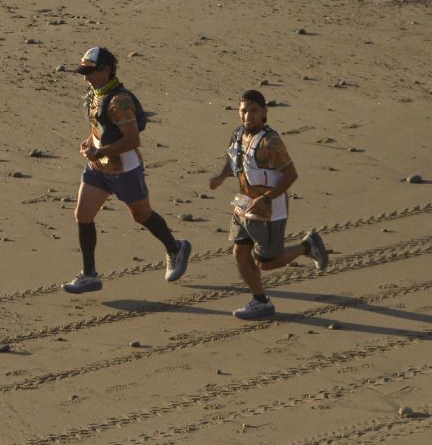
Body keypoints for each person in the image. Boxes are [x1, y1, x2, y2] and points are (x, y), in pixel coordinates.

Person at [61, 46, 190, 293]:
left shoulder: (119, 101)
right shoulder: (96, 93)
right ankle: (89, 276)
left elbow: (132, 140)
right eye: (84, 73)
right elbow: (101, 127)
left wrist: (100, 151)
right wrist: (90, 142)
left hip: (124, 170)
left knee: (141, 215)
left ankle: (176, 248)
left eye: (90, 73)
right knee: (83, 215)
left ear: (106, 70)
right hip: (98, 168)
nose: (86, 78)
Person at [208, 89, 328, 320]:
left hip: (269, 212)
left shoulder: (270, 142)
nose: (248, 116)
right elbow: (233, 159)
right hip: (243, 205)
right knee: (239, 252)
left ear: (264, 113)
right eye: (244, 111)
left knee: (267, 263)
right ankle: (260, 301)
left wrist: (266, 199)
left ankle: (307, 246)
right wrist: (221, 176)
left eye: (253, 111)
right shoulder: (237, 134)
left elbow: (291, 175)